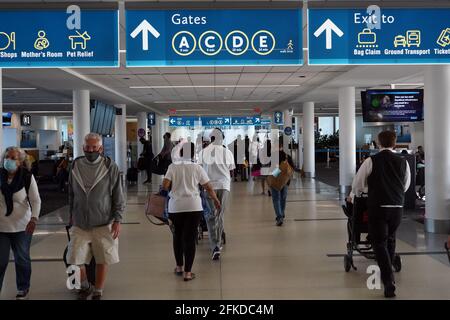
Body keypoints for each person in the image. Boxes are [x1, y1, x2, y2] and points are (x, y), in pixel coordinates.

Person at [352, 131, 410, 298]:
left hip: (378, 206)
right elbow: (405, 185)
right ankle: (388, 274)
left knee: (379, 243)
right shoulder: (403, 162)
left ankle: (388, 281)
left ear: (378, 143)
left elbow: (358, 183)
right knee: (390, 240)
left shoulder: (371, 161)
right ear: (395, 143)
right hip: (397, 207)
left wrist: (367, 191)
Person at [67, 133, 125, 300]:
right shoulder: (75, 165)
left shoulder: (109, 166)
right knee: (74, 257)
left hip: (103, 221)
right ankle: (85, 284)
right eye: (88, 147)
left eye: (94, 147)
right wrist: (71, 214)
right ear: (83, 147)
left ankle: (98, 289)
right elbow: (71, 193)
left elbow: (118, 195)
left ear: (101, 148)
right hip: (80, 221)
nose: (90, 150)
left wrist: (118, 220)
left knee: (103, 257)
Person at [162, 142, 220, 280]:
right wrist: (216, 200)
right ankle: (188, 273)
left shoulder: (172, 167)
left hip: (175, 207)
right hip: (194, 207)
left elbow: (165, 186)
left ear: (181, 152)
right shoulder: (197, 168)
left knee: (177, 237)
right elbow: (208, 187)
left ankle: (179, 267)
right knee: (189, 239)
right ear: (193, 154)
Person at [0, 147, 41, 299]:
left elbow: (36, 200)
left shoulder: (26, 177)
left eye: (12, 158)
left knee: (22, 258)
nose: (8, 161)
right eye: (6, 157)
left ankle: (23, 288)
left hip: (22, 226)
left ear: (20, 162)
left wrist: (34, 219)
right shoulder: (0, 175)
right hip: (1, 226)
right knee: (1, 260)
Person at [198, 129, 235, 260]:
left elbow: (199, 171)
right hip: (224, 186)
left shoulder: (203, 152)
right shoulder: (227, 152)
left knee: (210, 216)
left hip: (209, 187)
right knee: (219, 214)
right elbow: (231, 170)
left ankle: (215, 245)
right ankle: (217, 243)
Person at [269, 137, 295, 226]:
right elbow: (292, 169)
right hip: (285, 181)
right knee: (283, 198)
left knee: (276, 199)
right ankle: (282, 214)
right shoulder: (287, 157)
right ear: (281, 146)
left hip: (275, 181)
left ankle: (279, 216)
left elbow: (271, 169)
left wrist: (277, 172)